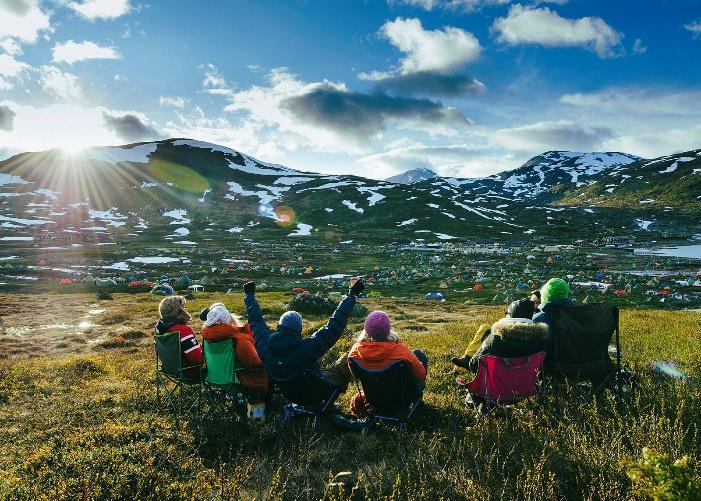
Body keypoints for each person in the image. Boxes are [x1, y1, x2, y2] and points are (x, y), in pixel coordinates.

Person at [243, 279, 365, 389]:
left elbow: (256, 321)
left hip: (284, 392)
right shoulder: (307, 349)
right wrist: (351, 295)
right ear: (299, 329)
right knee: (339, 367)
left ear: (279, 326)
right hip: (311, 395)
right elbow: (334, 326)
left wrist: (249, 296)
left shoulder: (264, 344)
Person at [347, 311, 427, 417]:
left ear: (366, 329)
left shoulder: (354, 352)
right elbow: (421, 375)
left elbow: (356, 375)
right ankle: (417, 403)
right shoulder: (401, 350)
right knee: (418, 354)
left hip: (374, 399)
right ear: (388, 329)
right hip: (401, 401)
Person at [452, 298, 546, 372]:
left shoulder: (496, 337)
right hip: (526, 387)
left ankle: (466, 358)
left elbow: (474, 365)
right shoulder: (539, 339)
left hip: (496, 387)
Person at [199, 303, 268, 397]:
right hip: (238, 381)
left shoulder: (206, 338)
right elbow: (254, 363)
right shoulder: (238, 339)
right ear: (227, 318)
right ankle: (266, 405)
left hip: (212, 378)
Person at [155, 295, 203, 378]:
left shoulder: (159, 328)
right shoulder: (182, 330)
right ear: (179, 310)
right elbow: (197, 360)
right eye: (183, 307)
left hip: (169, 369)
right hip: (190, 372)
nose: (185, 309)